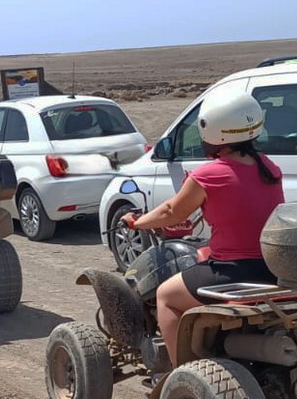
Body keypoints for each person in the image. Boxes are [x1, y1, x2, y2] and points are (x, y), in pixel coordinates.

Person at [121, 91, 284, 368]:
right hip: (271, 267)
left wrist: (137, 222)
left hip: (235, 270)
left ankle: (179, 372)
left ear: (213, 130)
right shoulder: (268, 166)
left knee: (166, 296)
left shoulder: (209, 174)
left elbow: (171, 211)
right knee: (203, 254)